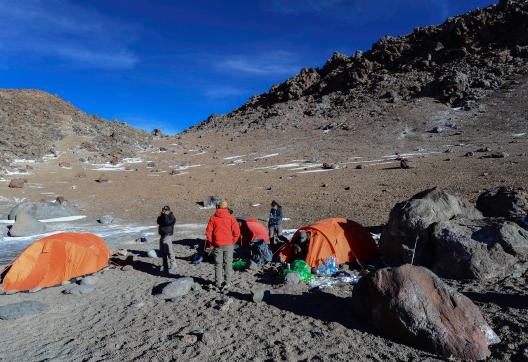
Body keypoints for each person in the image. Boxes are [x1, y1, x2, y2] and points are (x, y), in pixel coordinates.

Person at [206, 200, 240, 290]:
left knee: (218, 264)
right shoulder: (231, 217)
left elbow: (208, 233)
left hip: (217, 245)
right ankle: (228, 282)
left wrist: (211, 243)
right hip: (228, 244)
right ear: (226, 207)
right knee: (228, 263)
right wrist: (233, 241)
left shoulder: (213, 218)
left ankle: (218, 283)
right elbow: (237, 232)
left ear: (218, 207)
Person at [157, 205, 177, 274]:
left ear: (169, 210)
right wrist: (160, 216)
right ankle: (165, 265)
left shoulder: (171, 217)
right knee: (162, 251)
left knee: (169, 250)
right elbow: (158, 222)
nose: (164, 211)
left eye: (166, 210)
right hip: (162, 235)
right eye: (163, 210)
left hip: (167, 235)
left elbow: (167, 222)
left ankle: (173, 265)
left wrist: (164, 215)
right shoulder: (163, 216)